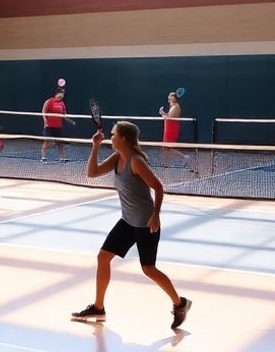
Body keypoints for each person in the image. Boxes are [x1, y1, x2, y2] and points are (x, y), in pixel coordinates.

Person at [71, 121, 191, 330]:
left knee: (148, 269)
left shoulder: (136, 161)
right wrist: (95, 146)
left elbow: (158, 187)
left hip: (145, 222)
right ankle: (98, 307)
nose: (111, 137)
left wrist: (156, 215)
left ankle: (180, 304)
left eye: (113, 134)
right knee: (103, 257)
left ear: (124, 138)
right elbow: (92, 173)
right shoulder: (118, 157)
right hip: (127, 221)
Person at [157, 91, 190, 169]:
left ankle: (184, 157)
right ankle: (165, 164)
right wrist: (163, 113)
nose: (169, 97)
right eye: (169, 96)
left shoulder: (176, 107)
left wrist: (162, 114)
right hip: (168, 128)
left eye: (171, 96)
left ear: (175, 98)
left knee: (169, 147)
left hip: (172, 128)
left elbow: (168, 118)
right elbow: (168, 116)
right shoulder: (172, 106)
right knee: (164, 147)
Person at [41, 86, 71, 162]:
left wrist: (70, 120)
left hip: (58, 127)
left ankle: (62, 158)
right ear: (56, 93)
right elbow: (43, 112)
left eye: (63, 94)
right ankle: (43, 157)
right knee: (47, 142)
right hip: (49, 126)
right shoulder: (49, 101)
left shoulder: (62, 103)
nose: (62, 95)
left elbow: (64, 114)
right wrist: (45, 122)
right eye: (61, 93)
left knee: (60, 143)